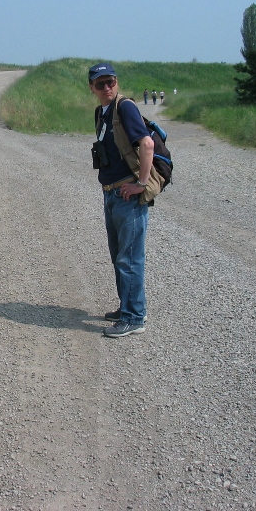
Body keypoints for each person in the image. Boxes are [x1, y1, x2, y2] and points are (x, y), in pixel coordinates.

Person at [89, 63, 154, 337]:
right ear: (92, 88)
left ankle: (133, 317)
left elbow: (147, 144)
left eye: (111, 82)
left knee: (129, 258)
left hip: (127, 195)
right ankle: (129, 307)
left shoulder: (125, 107)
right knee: (119, 256)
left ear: (117, 82)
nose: (107, 88)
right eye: (100, 84)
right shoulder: (102, 112)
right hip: (111, 193)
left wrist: (141, 184)